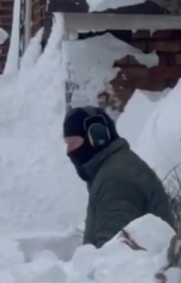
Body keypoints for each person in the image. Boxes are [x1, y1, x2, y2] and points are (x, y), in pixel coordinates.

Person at [63, 106, 174, 248]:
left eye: (72, 143)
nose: (68, 151)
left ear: (97, 137)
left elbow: (113, 256)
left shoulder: (116, 180)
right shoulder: (114, 169)